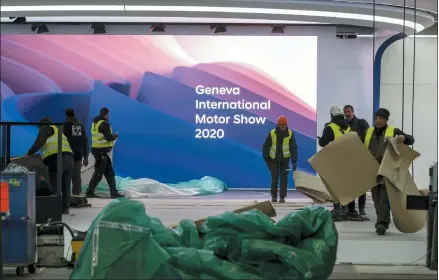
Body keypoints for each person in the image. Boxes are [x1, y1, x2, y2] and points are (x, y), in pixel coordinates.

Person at [362, 108, 414, 235]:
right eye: (376, 118)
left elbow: (411, 140)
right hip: (372, 170)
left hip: (387, 170)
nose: (378, 121)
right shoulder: (367, 132)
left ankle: (381, 224)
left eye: (381, 118)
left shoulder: (393, 131)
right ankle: (381, 220)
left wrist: (403, 138)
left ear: (386, 120)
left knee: (384, 198)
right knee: (376, 198)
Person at [25, 117, 74, 214]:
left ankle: (54, 209)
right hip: (69, 158)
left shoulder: (45, 128)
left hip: (57, 158)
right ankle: (65, 208)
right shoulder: (57, 129)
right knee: (66, 184)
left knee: (54, 183)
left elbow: (39, 142)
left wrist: (29, 153)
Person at [318, 105, 352, 221]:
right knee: (345, 186)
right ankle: (345, 209)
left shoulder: (330, 127)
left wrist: (322, 138)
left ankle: (337, 210)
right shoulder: (347, 126)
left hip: (335, 161)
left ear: (332, 115)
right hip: (347, 160)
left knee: (334, 187)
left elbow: (323, 143)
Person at [85, 108, 124, 199]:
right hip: (101, 151)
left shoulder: (95, 123)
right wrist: (115, 136)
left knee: (109, 173)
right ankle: (89, 192)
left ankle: (114, 192)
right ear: (107, 114)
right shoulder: (104, 123)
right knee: (99, 173)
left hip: (99, 150)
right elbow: (108, 138)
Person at [262, 115, 298, 203]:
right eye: (281, 125)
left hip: (285, 160)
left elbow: (293, 148)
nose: (283, 127)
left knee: (283, 178)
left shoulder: (290, 134)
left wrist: (294, 162)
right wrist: (267, 160)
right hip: (273, 160)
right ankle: (274, 196)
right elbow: (265, 146)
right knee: (274, 177)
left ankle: (282, 197)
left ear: (286, 125)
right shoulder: (272, 133)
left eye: (284, 125)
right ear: (278, 125)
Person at [343, 105, 370, 216]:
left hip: (360, 157)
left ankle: (362, 208)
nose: (347, 114)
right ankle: (351, 208)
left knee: (361, 185)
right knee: (350, 185)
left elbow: (368, 137)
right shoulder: (343, 124)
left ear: (353, 112)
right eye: (345, 112)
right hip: (348, 159)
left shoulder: (361, 123)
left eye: (349, 111)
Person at [63, 108, 89, 196]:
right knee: (77, 177)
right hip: (78, 156)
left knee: (66, 177)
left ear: (66, 115)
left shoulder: (65, 126)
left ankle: (66, 197)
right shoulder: (81, 126)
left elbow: (62, 141)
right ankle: (77, 197)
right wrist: (86, 157)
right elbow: (85, 141)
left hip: (67, 155)